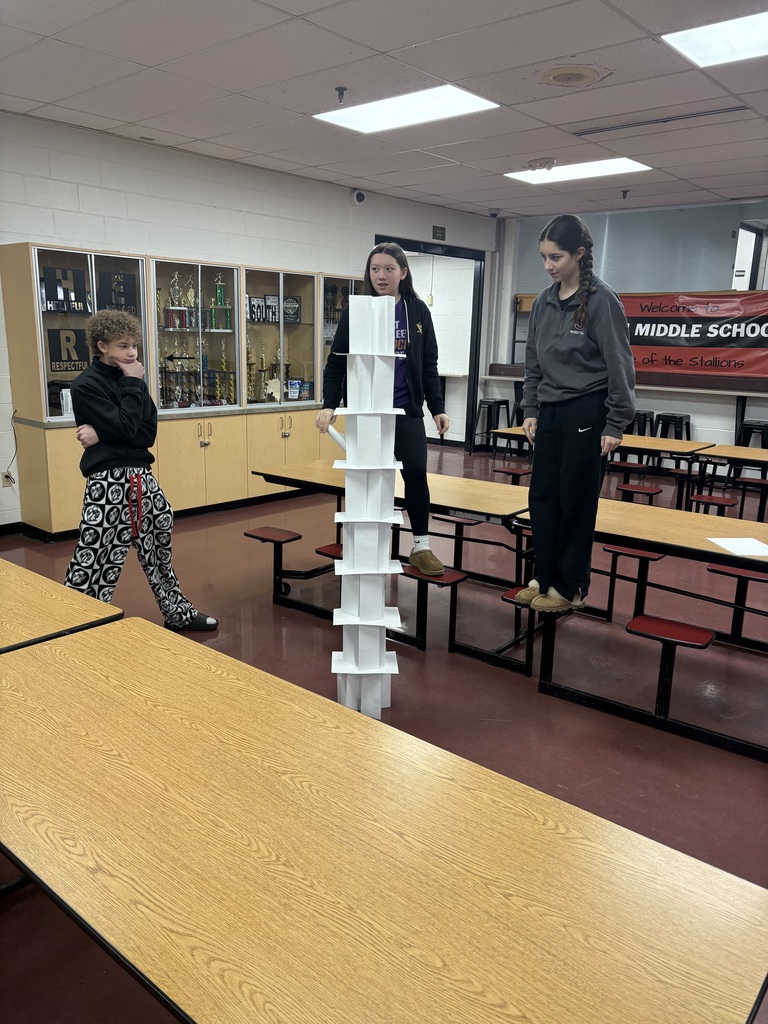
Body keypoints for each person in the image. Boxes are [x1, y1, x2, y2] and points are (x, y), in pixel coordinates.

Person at [64, 310, 218, 632]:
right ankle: (76, 621)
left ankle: (177, 613)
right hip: (108, 481)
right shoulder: (86, 386)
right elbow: (127, 426)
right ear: (102, 345)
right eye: (123, 346)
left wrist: (102, 434)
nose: (132, 353)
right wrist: (131, 393)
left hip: (140, 477)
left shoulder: (131, 381)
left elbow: (145, 433)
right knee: (95, 553)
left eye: (134, 346)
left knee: (159, 541)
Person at [516, 214, 635, 613]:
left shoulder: (602, 301)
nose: (549, 265)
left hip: (588, 409)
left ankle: (570, 587)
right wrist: (530, 407)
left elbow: (620, 364)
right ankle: (543, 575)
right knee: (543, 497)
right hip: (548, 411)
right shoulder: (545, 301)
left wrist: (616, 421)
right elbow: (533, 361)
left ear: (580, 254)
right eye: (543, 257)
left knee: (576, 500)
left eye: (557, 257)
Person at [316, 241, 449, 575]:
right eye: (375, 269)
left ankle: (421, 545)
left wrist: (437, 408)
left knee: (415, 474)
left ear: (403, 273)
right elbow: (335, 363)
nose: (381, 275)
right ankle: (365, 542)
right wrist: (329, 404)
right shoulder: (357, 310)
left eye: (389, 268)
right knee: (368, 478)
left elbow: (429, 363)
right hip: (367, 413)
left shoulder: (417, 311)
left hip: (405, 409)